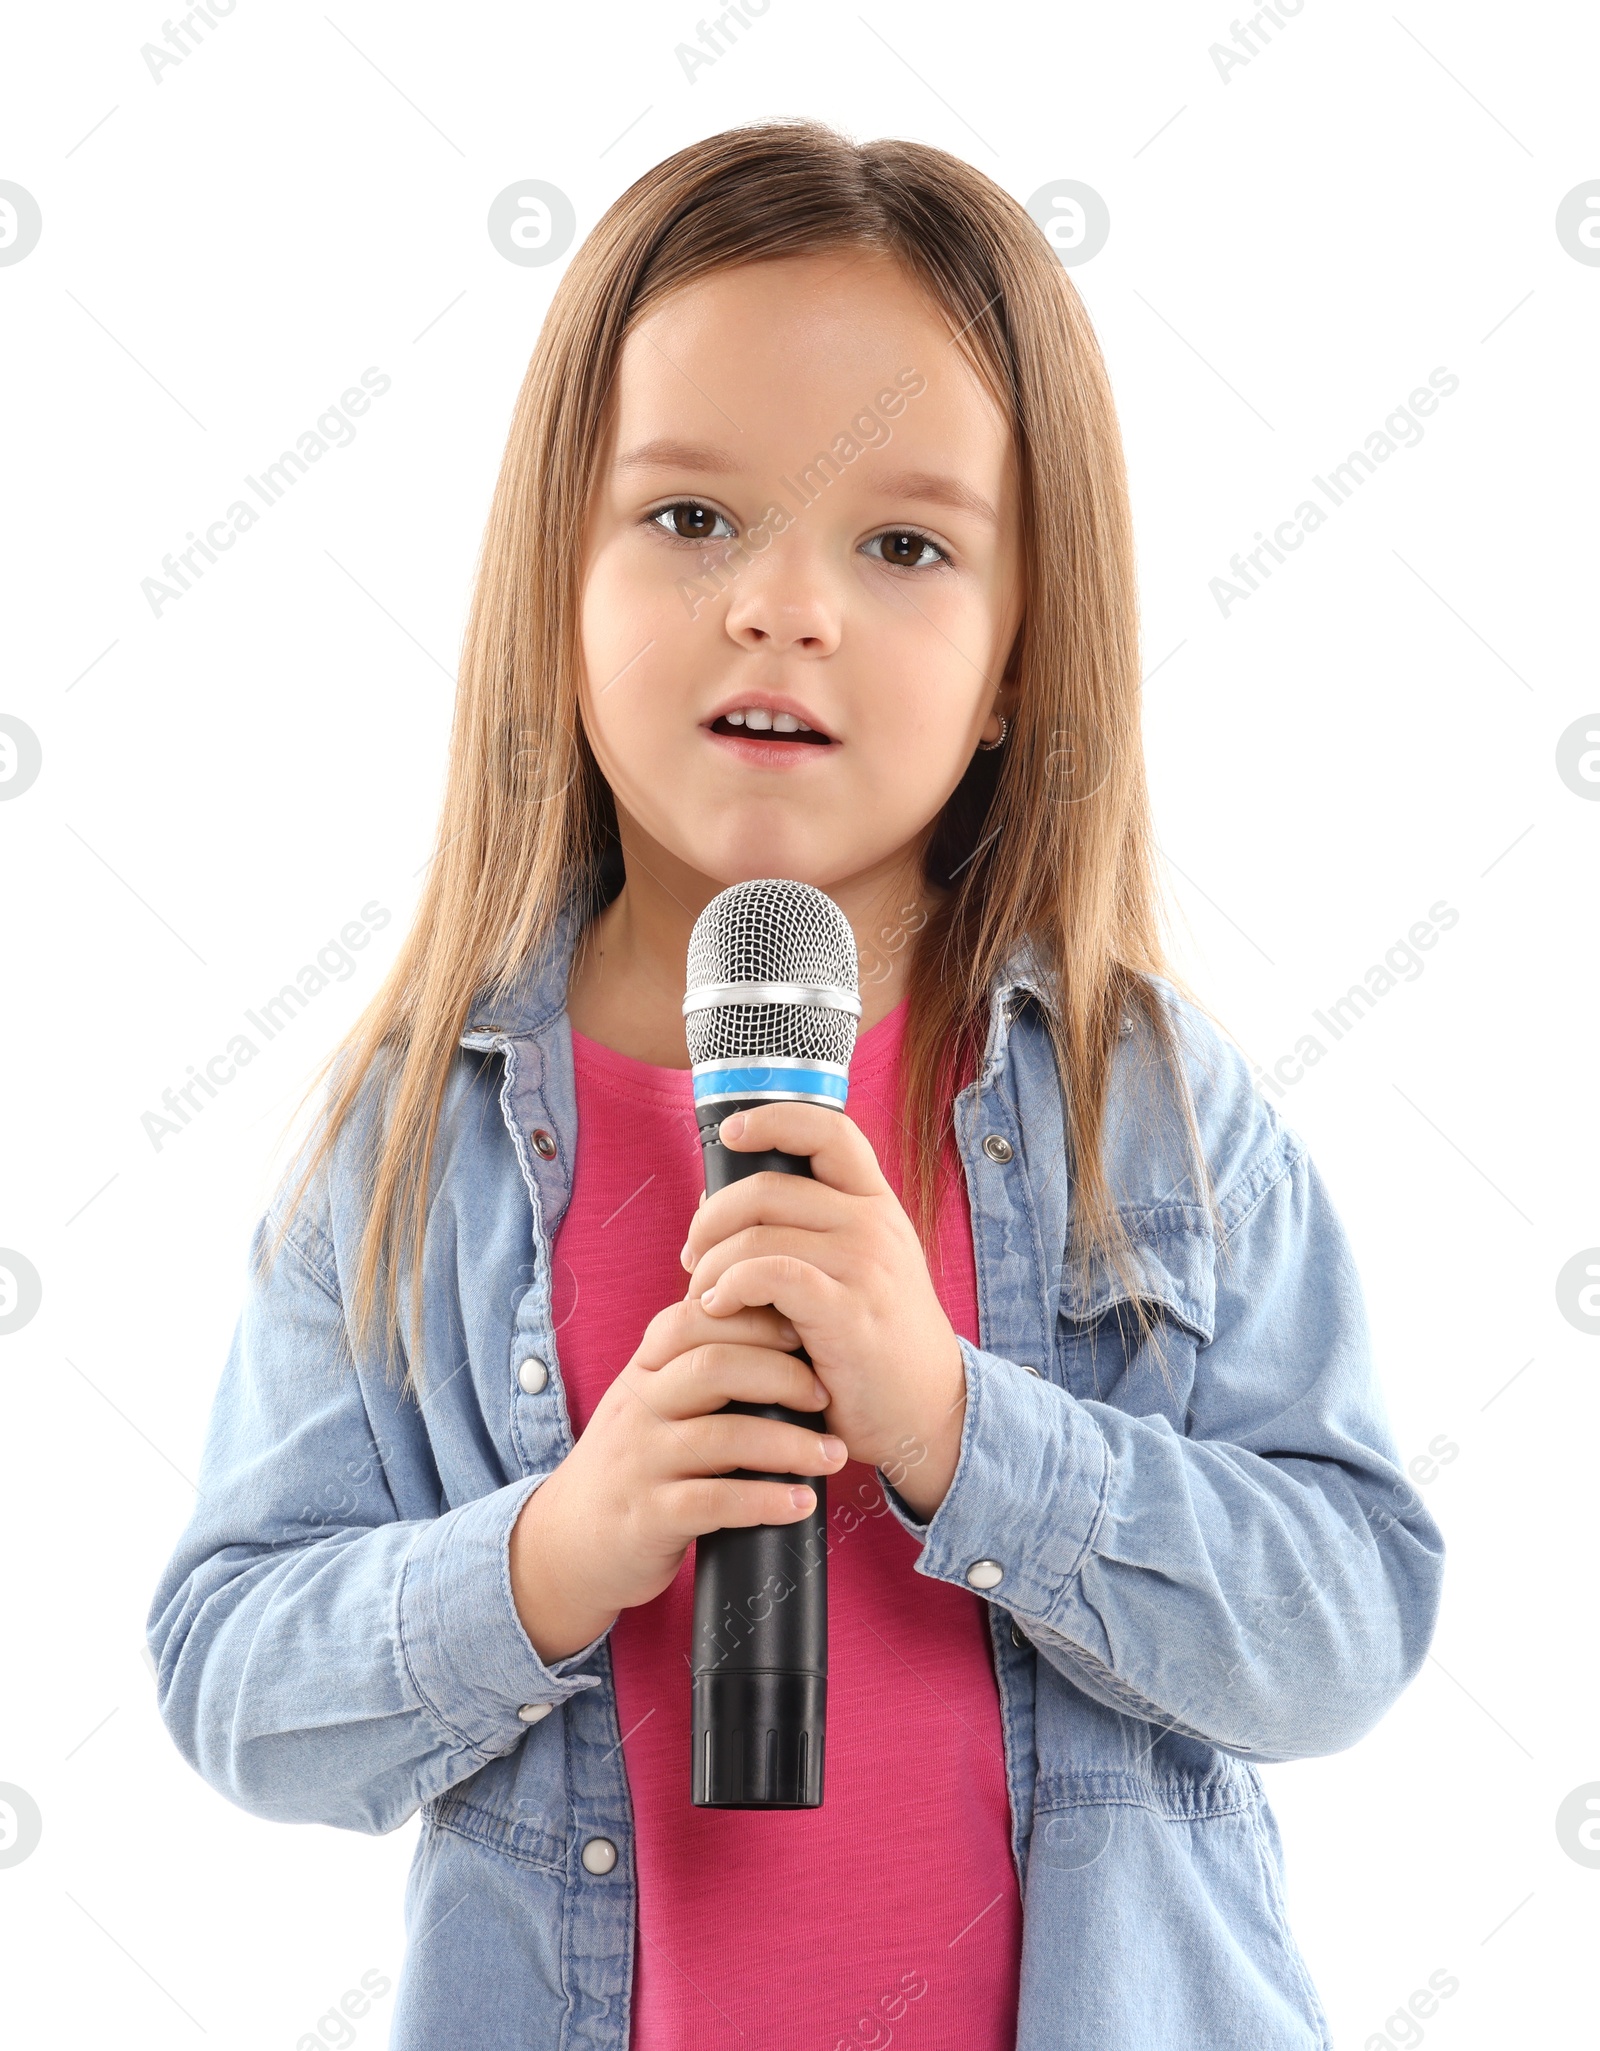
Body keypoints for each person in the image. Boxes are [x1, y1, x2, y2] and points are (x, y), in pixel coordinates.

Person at [147, 119, 1445, 2051]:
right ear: (558, 579)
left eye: (903, 543)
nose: (783, 605)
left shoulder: (1138, 1103)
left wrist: (955, 1427)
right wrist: (557, 1549)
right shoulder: (418, 1138)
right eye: (689, 521)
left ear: (1017, 653)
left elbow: (1344, 1624)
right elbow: (233, 1671)